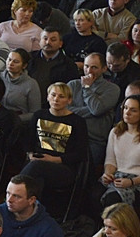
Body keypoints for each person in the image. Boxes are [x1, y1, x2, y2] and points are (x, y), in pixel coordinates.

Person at [20, 82, 90, 212]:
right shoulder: (39, 115)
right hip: (36, 163)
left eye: (61, 96)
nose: (56, 99)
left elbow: (80, 154)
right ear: (47, 97)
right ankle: (30, 214)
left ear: (69, 100)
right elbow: (27, 142)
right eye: (53, 95)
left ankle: (13, 196)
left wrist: (53, 160)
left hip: (63, 168)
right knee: (37, 181)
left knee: (36, 168)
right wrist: (30, 154)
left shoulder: (78, 122)